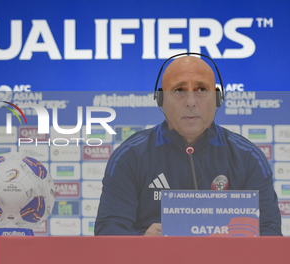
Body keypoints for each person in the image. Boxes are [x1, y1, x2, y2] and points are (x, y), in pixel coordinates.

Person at [95, 55, 282, 236]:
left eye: (201, 90)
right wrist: (143, 241)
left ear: (217, 98)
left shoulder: (248, 158)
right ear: (161, 100)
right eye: (179, 91)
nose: (191, 102)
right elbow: (108, 231)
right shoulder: (130, 157)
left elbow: (270, 235)